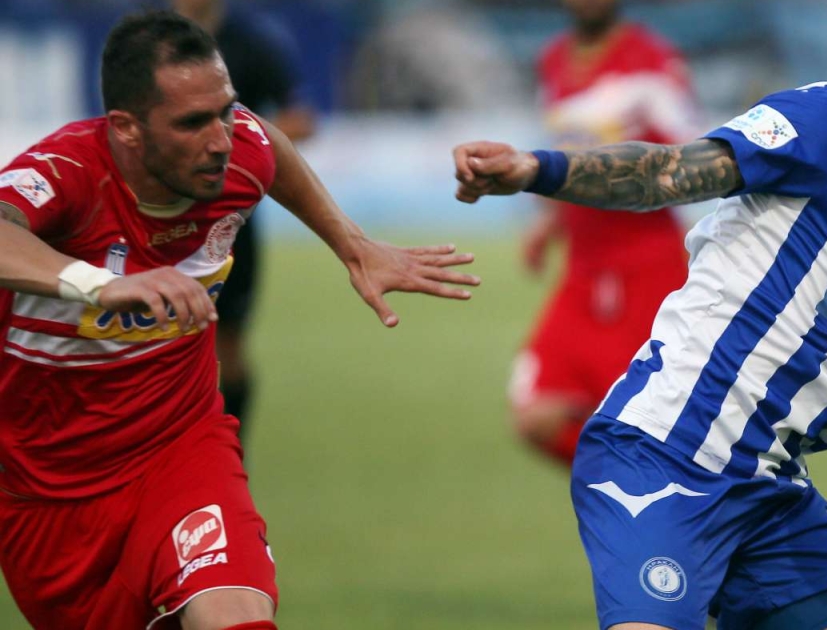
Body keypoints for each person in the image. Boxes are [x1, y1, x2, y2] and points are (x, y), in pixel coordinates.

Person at [453, 1, 827, 628]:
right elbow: (668, 172)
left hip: (771, 494)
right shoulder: (825, 123)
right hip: (664, 459)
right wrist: (537, 168)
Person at [0, 11, 477, 630]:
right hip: (44, 487)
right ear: (126, 128)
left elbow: (265, 137)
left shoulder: (236, 153)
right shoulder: (66, 171)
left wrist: (351, 244)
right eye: (192, 122)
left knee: (236, 614)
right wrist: (102, 285)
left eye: (223, 112)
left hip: (180, 447)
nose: (221, 139)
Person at [509, 0, 697, 465]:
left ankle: (646, 485)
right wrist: (550, 221)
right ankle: (626, 479)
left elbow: (695, 160)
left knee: (655, 428)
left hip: (648, 272)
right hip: (583, 273)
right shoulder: (553, 60)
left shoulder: (652, 60)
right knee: (533, 416)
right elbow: (566, 151)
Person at [173, 0, 317, 437]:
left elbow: (300, 120)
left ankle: (232, 449)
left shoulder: (252, 41)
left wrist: (237, 143)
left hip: (229, 221)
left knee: (228, 343)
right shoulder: (148, 41)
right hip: (152, 217)